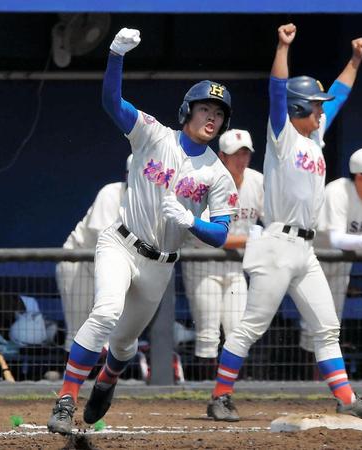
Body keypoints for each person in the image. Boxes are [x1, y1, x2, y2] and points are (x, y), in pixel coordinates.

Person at [47, 27, 239, 435]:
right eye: (205, 109)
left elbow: (221, 234)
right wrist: (115, 55)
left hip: (161, 264)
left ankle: (109, 378)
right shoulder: (153, 133)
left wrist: (192, 222)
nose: (212, 117)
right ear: (187, 110)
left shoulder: (219, 175)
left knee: (123, 345)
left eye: (219, 113)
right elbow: (111, 102)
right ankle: (65, 400)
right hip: (121, 242)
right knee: (105, 312)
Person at [207, 23, 362, 422]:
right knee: (251, 327)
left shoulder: (315, 136)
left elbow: (339, 94)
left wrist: (355, 61)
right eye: (314, 105)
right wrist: (282, 46)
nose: (321, 110)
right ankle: (220, 395)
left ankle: (346, 398)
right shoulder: (282, 135)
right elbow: (278, 88)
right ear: (297, 110)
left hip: (304, 249)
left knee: (327, 326)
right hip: (275, 243)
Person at [182, 129, 264, 379]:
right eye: (235, 154)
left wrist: (265, 237)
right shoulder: (208, 179)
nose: (241, 159)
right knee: (208, 333)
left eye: (245, 153)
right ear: (222, 156)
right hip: (202, 260)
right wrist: (254, 239)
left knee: (238, 330)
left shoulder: (257, 181)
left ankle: (227, 390)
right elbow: (214, 235)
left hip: (236, 266)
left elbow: (272, 222)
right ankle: (203, 390)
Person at [300, 146, 362, 353]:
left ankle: (323, 381)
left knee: (333, 323)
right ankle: (306, 380)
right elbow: (336, 239)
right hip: (315, 259)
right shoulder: (337, 191)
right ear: (361, 177)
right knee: (312, 324)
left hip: (342, 263)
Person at [56, 155, 132, 354]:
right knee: (79, 330)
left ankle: (100, 382)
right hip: (79, 263)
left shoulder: (150, 202)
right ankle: (70, 383)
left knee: (108, 332)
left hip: (112, 269)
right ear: (127, 175)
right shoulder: (111, 193)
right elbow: (105, 241)